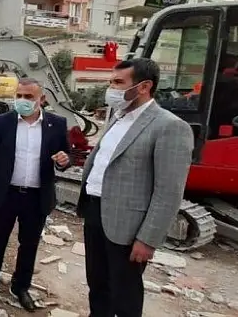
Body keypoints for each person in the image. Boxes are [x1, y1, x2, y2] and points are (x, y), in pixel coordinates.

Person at [77, 59, 194, 317]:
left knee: (125, 294)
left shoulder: (169, 127)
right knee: (97, 284)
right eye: (111, 82)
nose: (112, 89)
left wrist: (147, 239)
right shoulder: (119, 118)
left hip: (129, 227)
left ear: (144, 87)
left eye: (119, 83)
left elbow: (169, 191)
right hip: (96, 214)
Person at [0, 78, 71, 309]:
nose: (22, 101)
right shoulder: (3, 122)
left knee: (28, 245)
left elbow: (65, 157)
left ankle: (21, 287)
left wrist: (63, 161)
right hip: (5, 194)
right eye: (19, 96)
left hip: (36, 196)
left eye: (28, 97)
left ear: (42, 99)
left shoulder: (57, 124)